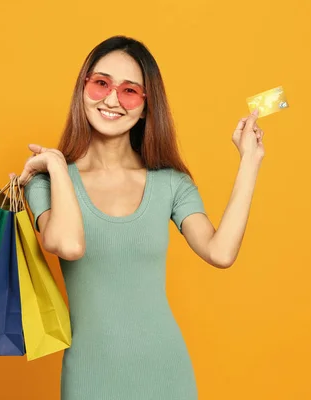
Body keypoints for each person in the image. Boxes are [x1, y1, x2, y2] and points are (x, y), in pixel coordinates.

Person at [17, 35, 265, 400]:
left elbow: (221, 252)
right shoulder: (46, 182)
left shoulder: (170, 184)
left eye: (130, 91)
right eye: (101, 83)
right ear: (83, 88)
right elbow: (67, 245)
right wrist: (56, 164)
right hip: (90, 376)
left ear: (146, 107)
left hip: (166, 373)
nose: (113, 99)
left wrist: (250, 161)